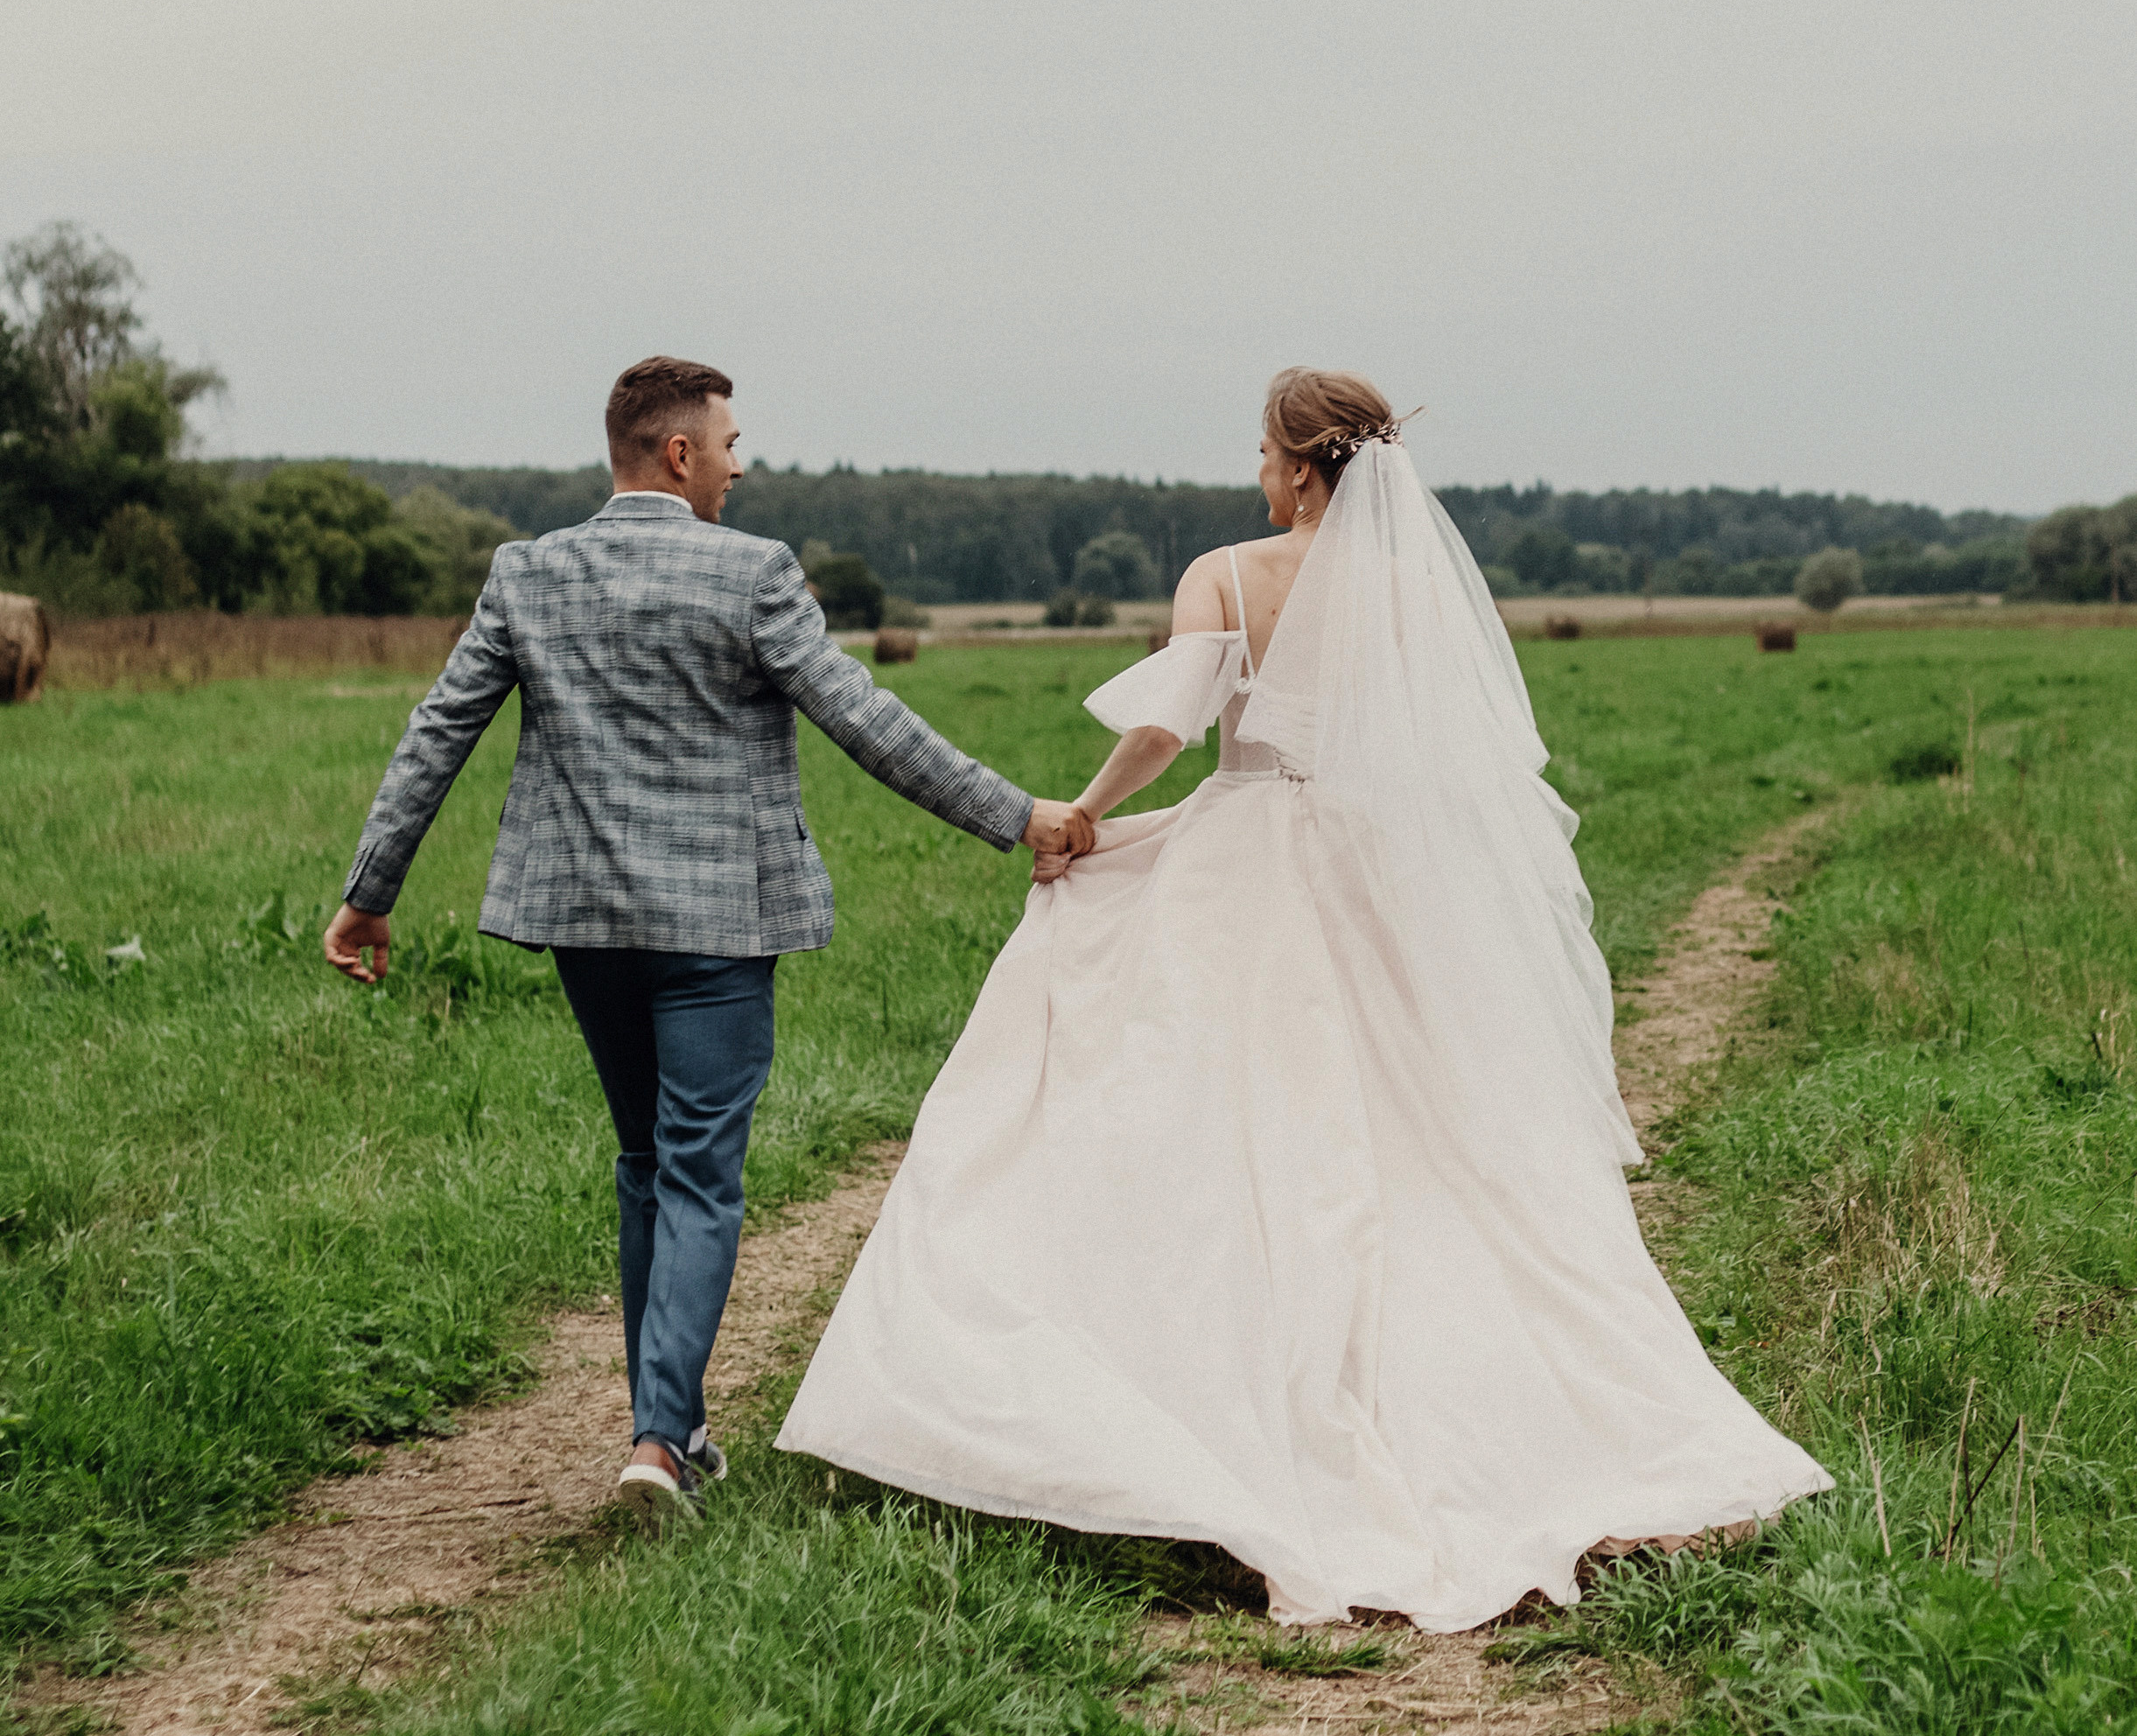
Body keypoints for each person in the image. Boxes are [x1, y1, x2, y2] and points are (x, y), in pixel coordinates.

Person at [780, 367, 1830, 1628]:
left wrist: (1080, 823)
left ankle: (1203, 1388)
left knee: (1229, 1122)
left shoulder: (1225, 577)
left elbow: (1168, 734)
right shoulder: (1408, 586)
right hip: (1379, 869)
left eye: (1261, 454)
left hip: (1258, 857)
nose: (1256, 474)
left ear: (1294, 464)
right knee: (1418, 1139)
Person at [322, 354, 1090, 1523]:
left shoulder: (528, 574)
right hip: (718, 930)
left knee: (647, 1164)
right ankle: (659, 1441)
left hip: (584, 923)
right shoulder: (751, 574)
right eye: (731, 445)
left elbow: (439, 731)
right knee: (696, 1174)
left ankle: (665, 1425)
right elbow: (863, 717)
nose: (741, 466)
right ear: (676, 452)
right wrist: (1015, 814)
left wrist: (371, 889)